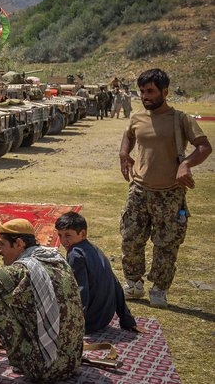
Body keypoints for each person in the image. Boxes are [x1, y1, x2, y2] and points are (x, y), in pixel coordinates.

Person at [119, 68, 211, 308]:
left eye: (150, 91)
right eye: (141, 92)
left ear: (165, 92)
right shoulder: (138, 117)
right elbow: (129, 136)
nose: (144, 96)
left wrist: (186, 165)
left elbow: (204, 147)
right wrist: (123, 153)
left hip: (169, 193)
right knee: (131, 239)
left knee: (166, 244)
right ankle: (134, 284)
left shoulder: (180, 119)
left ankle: (159, 289)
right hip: (139, 190)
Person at [0, 218, 84, 382]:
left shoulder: (21, 271)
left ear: (19, 243)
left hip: (42, 368)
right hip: (72, 362)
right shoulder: (56, 259)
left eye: (2, 244)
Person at [55, 212, 146, 334]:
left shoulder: (75, 254)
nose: (63, 241)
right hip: (103, 318)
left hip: (89, 322)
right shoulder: (95, 249)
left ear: (82, 234)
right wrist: (127, 320)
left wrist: (75, 327)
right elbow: (116, 285)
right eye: (60, 235)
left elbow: (81, 292)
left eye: (68, 235)